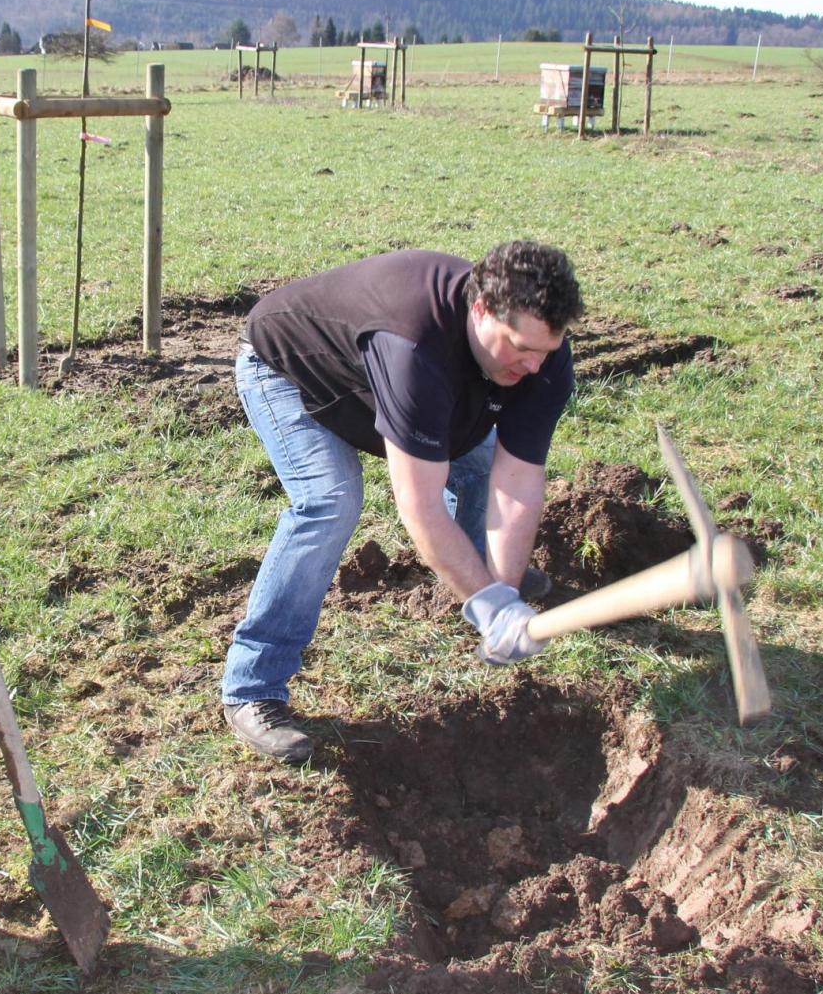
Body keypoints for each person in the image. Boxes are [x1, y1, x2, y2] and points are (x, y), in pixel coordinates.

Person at [222, 242, 584, 763]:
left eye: (545, 350)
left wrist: (500, 592)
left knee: (481, 465)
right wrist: (497, 611)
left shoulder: (541, 355)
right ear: (480, 309)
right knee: (331, 501)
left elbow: (517, 480)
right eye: (519, 346)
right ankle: (252, 688)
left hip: (388, 380)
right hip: (291, 371)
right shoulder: (414, 342)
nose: (532, 365)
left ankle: (479, 577)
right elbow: (421, 507)